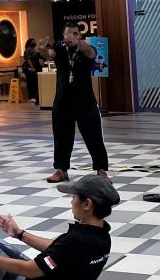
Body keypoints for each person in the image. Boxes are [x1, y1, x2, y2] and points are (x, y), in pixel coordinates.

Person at [38, 23, 109, 182]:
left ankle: (101, 170)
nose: (72, 36)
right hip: (63, 101)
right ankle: (61, 170)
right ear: (63, 35)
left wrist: (79, 44)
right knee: (61, 136)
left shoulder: (86, 48)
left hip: (85, 101)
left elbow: (91, 54)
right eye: (69, 33)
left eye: (75, 33)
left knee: (94, 135)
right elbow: (49, 54)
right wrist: (41, 48)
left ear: (79, 35)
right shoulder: (60, 49)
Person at [22, 37, 43, 105]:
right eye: (33, 42)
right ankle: (31, 97)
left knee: (36, 82)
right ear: (29, 43)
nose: (34, 43)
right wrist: (32, 68)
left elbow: (39, 57)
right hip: (29, 67)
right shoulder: (27, 50)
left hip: (36, 66)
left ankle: (36, 96)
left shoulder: (35, 50)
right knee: (31, 81)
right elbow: (28, 60)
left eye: (35, 42)